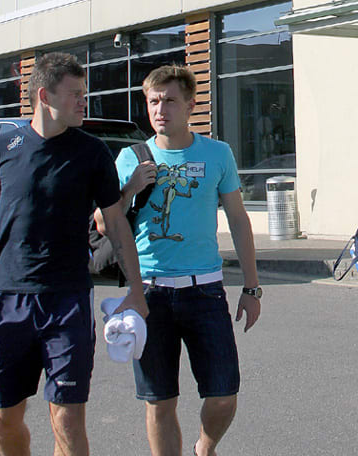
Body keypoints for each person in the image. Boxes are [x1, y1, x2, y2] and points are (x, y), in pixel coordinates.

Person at [0, 52, 148, 456]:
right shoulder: (2, 148)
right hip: (8, 297)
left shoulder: (91, 152)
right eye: (75, 94)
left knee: (67, 420)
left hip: (67, 299)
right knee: (2, 419)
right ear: (45, 96)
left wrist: (136, 291)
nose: (84, 101)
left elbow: (116, 222)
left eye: (84, 93)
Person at [94, 65, 261, 456]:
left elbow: (238, 219)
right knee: (159, 401)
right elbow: (102, 222)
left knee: (223, 394)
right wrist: (130, 188)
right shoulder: (130, 157)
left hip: (205, 291)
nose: (160, 109)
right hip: (148, 294)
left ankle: (205, 447)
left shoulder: (217, 154)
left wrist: (252, 288)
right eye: (153, 101)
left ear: (190, 105)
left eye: (169, 100)